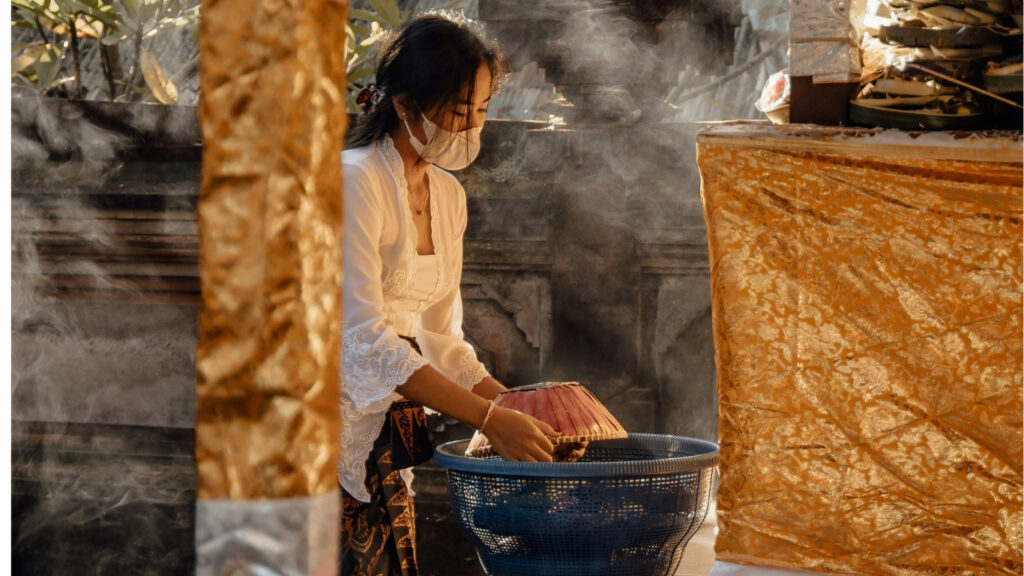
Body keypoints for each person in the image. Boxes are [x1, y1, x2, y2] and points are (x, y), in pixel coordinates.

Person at [339, 12, 559, 576]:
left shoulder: (447, 195)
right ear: (406, 105)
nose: (470, 127)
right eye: (459, 110)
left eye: (481, 110)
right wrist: (489, 419)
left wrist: (515, 410)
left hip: (384, 440)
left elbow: (440, 336)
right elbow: (363, 341)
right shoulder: (353, 181)